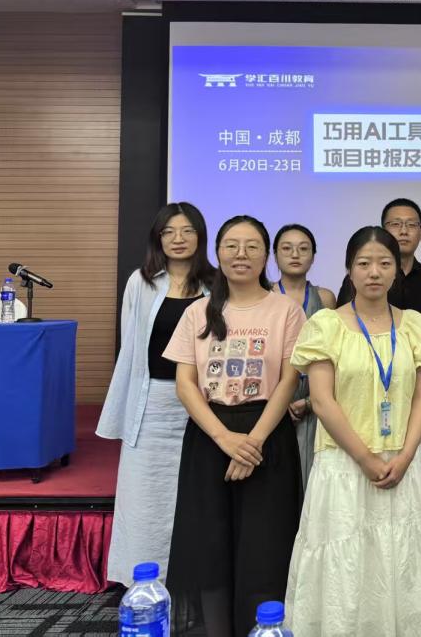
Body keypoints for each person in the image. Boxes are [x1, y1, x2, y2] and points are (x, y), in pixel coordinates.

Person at [285, 226, 421, 636]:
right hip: (344, 465)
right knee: (346, 567)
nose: (374, 272)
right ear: (349, 270)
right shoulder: (326, 325)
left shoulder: (413, 325)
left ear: (397, 271)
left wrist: (405, 456)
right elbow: (322, 400)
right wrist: (365, 458)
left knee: (400, 564)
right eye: (364, 263)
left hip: (403, 465)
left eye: (384, 263)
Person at [163, 215, 304, 637]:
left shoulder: (287, 310)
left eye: (252, 246)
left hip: (267, 436)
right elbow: (185, 384)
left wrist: (253, 442)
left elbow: (289, 380)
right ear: (218, 253)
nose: (241, 254)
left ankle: (260, 630)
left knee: (265, 546)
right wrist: (224, 437)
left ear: (266, 256)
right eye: (231, 245)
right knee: (208, 546)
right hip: (210, 436)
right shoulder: (197, 311)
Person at [97, 202, 214, 586]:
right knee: (144, 499)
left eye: (187, 231)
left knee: (195, 496)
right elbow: (130, 348)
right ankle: (142, 580)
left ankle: (191, 579)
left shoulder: (216, 285)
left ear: (200, 237)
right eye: (169, 232)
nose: (178, 239)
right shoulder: (141, 282)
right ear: (157, 239)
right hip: (151, 403)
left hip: (201, 405)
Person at [337, 198, 421, 476]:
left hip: (410, 401)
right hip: (359, 404)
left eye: (411, 225)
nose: (404, 230)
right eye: (396, 224)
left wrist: (407, 454)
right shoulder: (346, 299)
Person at [271, 223, 336, 490]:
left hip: (315, 396)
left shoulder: (325, 298)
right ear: (275, 254)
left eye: (303, 248)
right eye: (287, 248)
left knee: (312, 478)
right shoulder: (265, 294)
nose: (295, 254)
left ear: (313, 256)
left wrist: (309, 401)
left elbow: (333, 354)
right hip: (272, 396)